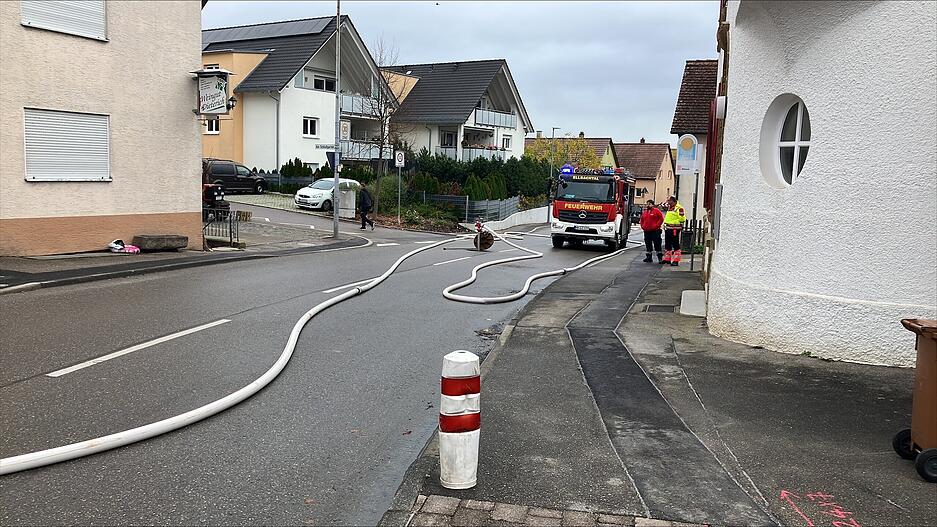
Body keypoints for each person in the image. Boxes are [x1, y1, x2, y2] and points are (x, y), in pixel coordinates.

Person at [662, 196, 686, 266]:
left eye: (669, 201)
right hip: (668, 228)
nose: (668, 202)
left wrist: (676, 222)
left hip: (674, 228)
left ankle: (676, 260)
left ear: (673, 201)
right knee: (668, 243)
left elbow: (682, 219)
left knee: (675, 244)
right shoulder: (670, 208)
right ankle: (667, 259)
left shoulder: (679, 208)